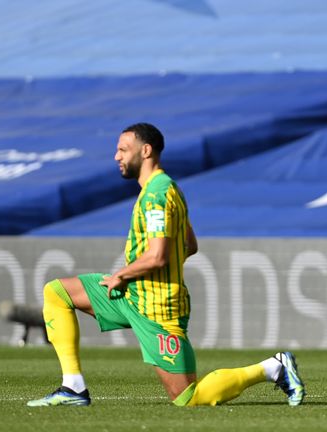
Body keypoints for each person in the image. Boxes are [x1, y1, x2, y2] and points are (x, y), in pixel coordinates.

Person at [27, 123, 305, 407]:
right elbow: (190, 245)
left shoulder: (158, 193)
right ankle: (73, 388)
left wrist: (124, 273)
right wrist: (137, 275)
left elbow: (158, 255)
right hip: (132, 295)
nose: (116, 156)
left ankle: (273, 368)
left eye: (123, 149)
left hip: (158, 309)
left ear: (145, 151)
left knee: (187, 398)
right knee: (57, 292)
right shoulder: (161, 189)